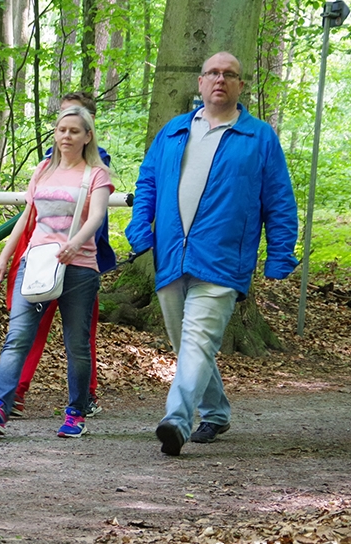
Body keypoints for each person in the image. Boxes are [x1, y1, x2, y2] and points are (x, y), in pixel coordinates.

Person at [125, 52, 298, 456]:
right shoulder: (173, 131)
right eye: (213, 73)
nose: (220, 79)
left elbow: (279, 199)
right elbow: (147, 182)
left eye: (230, 75)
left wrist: (280, 254)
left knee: (198, 340)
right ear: (200, 83)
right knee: (187, 344)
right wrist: (139, 228)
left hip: (223, 260)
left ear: (241, 85)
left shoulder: (258, 137)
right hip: (171, 256)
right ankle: (216, 411)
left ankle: (176, 421)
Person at [0, 105, 113, 437]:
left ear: (87, 136)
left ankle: (75, 412)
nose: (66, 136)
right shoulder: (42, 169)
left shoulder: (95, 174)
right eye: (61, 130)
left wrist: (75, 243)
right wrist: (4, 259)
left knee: (76, 344)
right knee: (17, 337)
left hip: (79, 267)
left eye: (74, 131)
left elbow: (96, 216)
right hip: (36, 263)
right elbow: (27, 217)